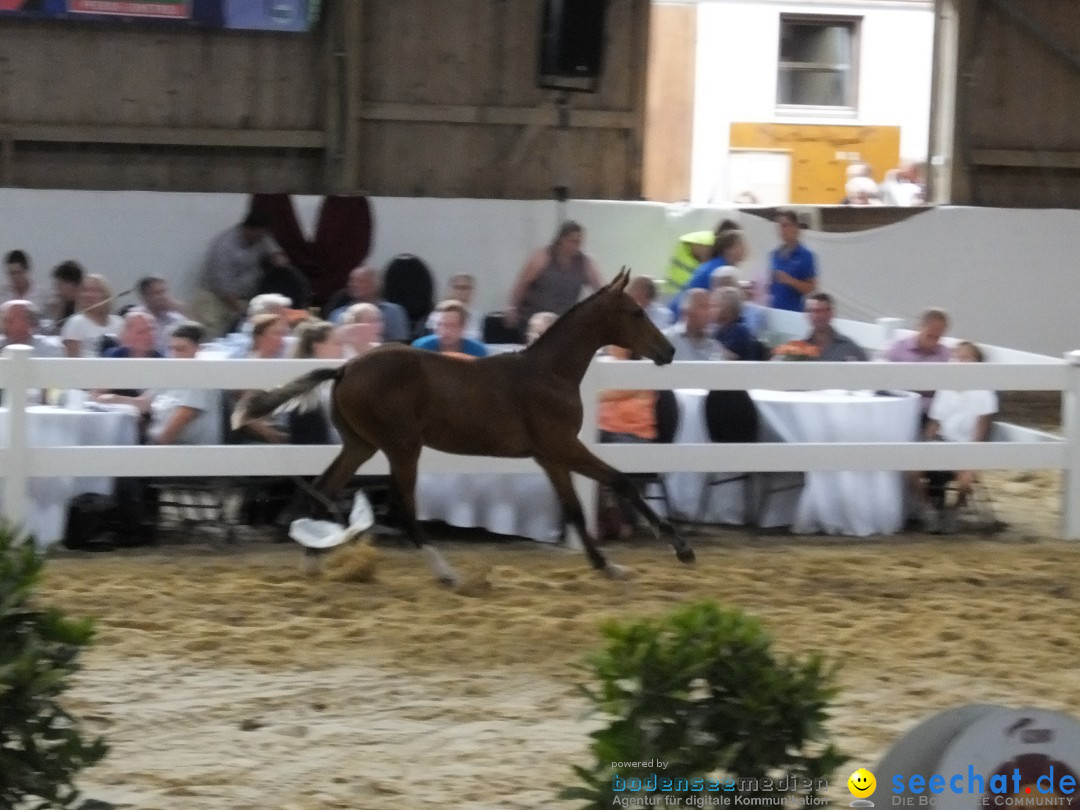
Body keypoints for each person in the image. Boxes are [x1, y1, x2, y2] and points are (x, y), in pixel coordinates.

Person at [916, 341, 998, 533]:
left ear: (977, 363)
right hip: (942, 442)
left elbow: (981, 432)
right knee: (911, 471)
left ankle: (954, 511)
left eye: (965, 358)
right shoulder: (945, 388)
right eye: (956, 357)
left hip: (966, 447)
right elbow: (934, 424)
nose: (958, 362)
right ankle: (930, 511)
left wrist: (971, 460)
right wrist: (921, 449)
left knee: (966, 479)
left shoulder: (984, 393)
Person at [194, 211, 282, 337]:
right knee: (211, 339)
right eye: (257, 236)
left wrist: (282, 268)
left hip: (243, 300)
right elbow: (224, 287)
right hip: (215, 300)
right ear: (247, 230)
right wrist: (243, 313)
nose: (259, 240)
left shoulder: (261, 237)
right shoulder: (224, 246)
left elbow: (276, 255)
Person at [505, 220, 604, 333]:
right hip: (534, 322)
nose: (577, 246)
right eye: (573, 242)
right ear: (562, 239)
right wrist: (512, 308)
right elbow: (522, 284)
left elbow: (600, 289)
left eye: (579, 242)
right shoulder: (542, 257)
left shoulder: (585, 263)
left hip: (563, 323)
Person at [884, 307, 951, 414]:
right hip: (900, 406)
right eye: (930, 335)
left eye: (937, 337)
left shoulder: (945, 354)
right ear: (920, 327)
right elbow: (881, 376)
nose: (933, 341)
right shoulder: (898, 348)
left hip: (931, 412)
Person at [324, 265, 411, 342]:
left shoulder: (393, 312)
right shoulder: (337, 314)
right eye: (352, 281)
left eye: (361, 281)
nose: (354, 284)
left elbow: (399, 346)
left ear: (376, 285)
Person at [60, 274, 124, 358]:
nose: (89, 295)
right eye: (85, 291)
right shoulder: (75, 323)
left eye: (95, 291)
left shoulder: (120, 323)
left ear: (106, 295)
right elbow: (72, 360)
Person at [768, 210, 817, 312]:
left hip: (794, 313)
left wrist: (790, 281)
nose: (782, 230)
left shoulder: (805, 256)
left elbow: (811, 288)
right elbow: (771, 287)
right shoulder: (774, 254)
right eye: (779, 226)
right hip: (774, 311)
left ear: (795, 227)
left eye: (785, 225)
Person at [803, 292, 867, 361]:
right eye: (813, 311)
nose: (818, 316)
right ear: (806, 314)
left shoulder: (849, 348)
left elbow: (867, 370)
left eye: (822, 310)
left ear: (831, 313)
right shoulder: (799, 350)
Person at [663, 288, 723, 361]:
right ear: (686, 311)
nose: (709, 312)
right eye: (703, 307)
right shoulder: (666, 340)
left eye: (709, 307)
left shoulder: (715, 346)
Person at [412, 300, 487, 357]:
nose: (445, 331)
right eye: (440, 324)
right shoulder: (421, 347)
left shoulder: (477, 351)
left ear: (463, 327)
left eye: (452, 325)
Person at [136, 276, 187, 353]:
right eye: (157, 293)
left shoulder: (177, 319)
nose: (163, 297)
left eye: (164, 292)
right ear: (144, 297)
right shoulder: (136, 318)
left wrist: (182, 310)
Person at [425, 273, 483, 340]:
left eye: (466, 288)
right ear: (450, 290)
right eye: (457, 288)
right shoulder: (437, 316)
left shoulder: (478, 317)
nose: (462, 292)